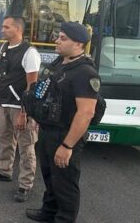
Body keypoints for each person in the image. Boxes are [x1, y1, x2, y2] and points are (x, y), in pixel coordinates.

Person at [25, 22, 100, 223]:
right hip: (49, 131)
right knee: (50, 178)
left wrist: (67, 146)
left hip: (66, 135)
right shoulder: (60, 63)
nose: (57, 40)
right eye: (58, 36)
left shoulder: (85, 73)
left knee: (65, 184)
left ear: (79, 44)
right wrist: (37, 117)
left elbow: (86, 113)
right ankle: (48, 213)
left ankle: (64, 219)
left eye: (63, 38)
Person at [0, 16, 41, 202]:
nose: (2, 30)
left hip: (20, 107)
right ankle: (4, 171)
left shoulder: (29, 53)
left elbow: (32, 86)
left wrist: (25, 113)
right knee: (5, 139)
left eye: (6, 27)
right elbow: (1, 77)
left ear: (18, 29)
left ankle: (25, 185)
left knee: (26, 146)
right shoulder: (4, 48)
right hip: (4, 102)